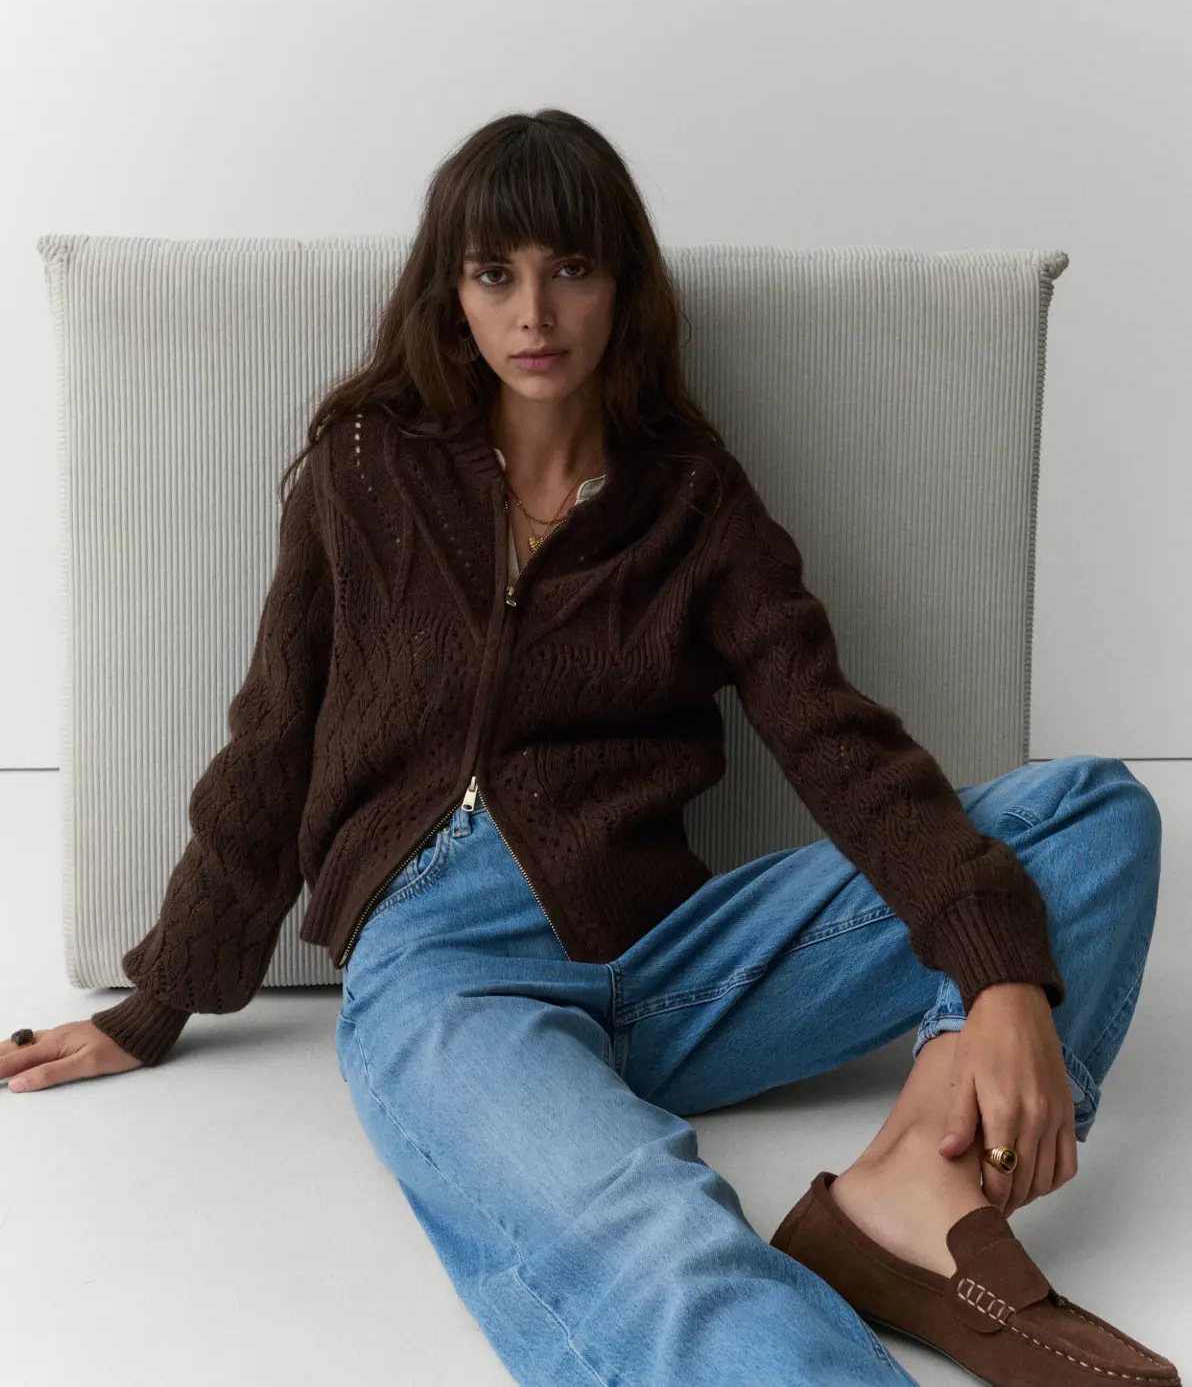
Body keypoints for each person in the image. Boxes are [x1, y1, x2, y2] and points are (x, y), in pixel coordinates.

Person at [2, 109, 1177, 1387]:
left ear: (621, 286)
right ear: (450, 293)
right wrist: (161, 1000)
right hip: (450, 978)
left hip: (670, 964)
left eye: (570, 268)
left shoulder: (691, 498)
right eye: (493, 273)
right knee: (658, 1244)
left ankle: (909, 1194)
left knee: (1089, 813)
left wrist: (997, 978)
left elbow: (831, 735)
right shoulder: (366, 469)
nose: (534, 313)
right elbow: (272, 738)